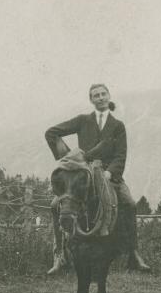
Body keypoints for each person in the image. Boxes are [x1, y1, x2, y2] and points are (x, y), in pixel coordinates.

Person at [45, 83, 151, 275]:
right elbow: (51, 133)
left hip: (109, 174)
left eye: (103, 94)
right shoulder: (82, 120)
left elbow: (121, 155)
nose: (100, 97)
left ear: (109, 96)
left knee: (129, 204)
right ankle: (59, 255)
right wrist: (70, 160)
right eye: (96, 95)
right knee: (55, 205)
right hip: (83, 175)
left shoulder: (118, 126)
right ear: (91, 100)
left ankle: (133, 254)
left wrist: (110, 172)